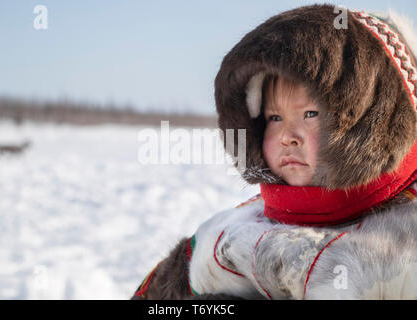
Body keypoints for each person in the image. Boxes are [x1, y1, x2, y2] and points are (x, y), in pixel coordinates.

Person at [131, 4, 417, 299]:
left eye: (310, 115)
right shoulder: (233, 229)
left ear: (370, 121)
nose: (287, 137)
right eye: (274, 118)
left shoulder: (403, 245)